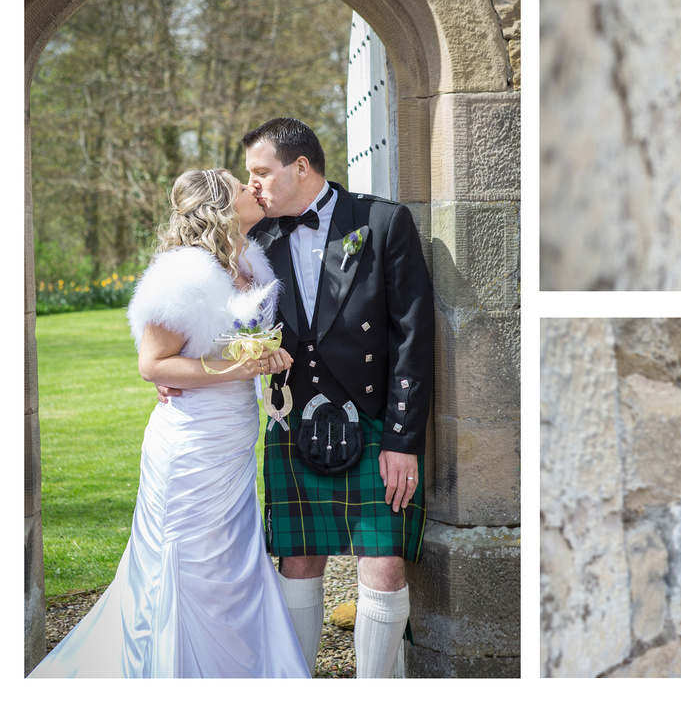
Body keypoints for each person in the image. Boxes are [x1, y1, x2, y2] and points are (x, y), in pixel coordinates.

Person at [30, 169, 310, 678]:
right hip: (191, 448)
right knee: (189, 567)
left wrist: (262, 361)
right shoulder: (184, 273)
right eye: (240, 184)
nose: (253, 187)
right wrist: (238, 368)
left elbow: (233, 345)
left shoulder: (250, 260)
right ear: (221, 206)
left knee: (230, 570)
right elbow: (153, 365)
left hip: (233, 444)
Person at [242, 117, 434, 678]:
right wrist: (174, 362)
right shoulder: (256, 235)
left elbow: (412, 337)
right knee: (297, 558)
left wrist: (402, 440)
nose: (252, 185)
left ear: (300, 167)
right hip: (292, 418)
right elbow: (211, 305)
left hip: (374, 420)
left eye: (261, 172)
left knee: (384, 562)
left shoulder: (380, 221)